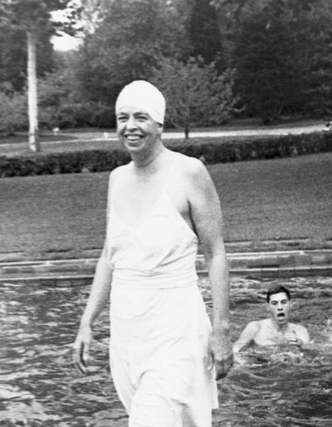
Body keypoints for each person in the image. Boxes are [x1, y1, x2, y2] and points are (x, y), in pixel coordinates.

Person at [72, 80, 233, 426]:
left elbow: (215, 253)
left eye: (141, 117)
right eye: (122, 117)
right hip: (128, 336)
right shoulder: (116, 179)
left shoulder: (189, 172)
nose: (130, 126)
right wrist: (87, 322)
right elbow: (108, 257)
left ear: (159, 124)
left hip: (176, 332)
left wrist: (222, 328)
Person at [232, 285, 310, 353]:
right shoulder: (256, 328)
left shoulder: (300, 331)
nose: (280, 307)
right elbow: (235, 350)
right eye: (274, 303)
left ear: (290, 305)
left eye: (283, 302)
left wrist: (301, 345)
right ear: (268, 307)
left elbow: (312, 354)